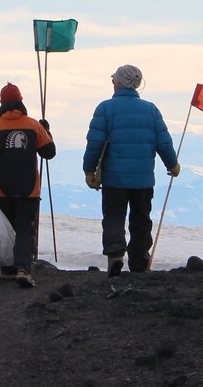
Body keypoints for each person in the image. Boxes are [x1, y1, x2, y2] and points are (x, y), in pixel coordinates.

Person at [82, 64, 179, 277]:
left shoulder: (105, 108)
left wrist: (89, 170)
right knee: (141, 219)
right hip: (143, 180)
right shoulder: (151, 110)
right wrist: (172, 164)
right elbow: (164, 142)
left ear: (116, 83)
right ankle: (139, 261)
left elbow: (95, 142)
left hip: (114, 179)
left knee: (114, 216)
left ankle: (115, 256)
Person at [0, 82, 55, 287]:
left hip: (0, 188)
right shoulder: (33, 125)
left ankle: (7, 268)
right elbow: (49, 153)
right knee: (24, 229)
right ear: (21, 101)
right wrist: (47, 131)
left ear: (2, 103)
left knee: (7, 229)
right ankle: (23, 268)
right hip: (28, 188)